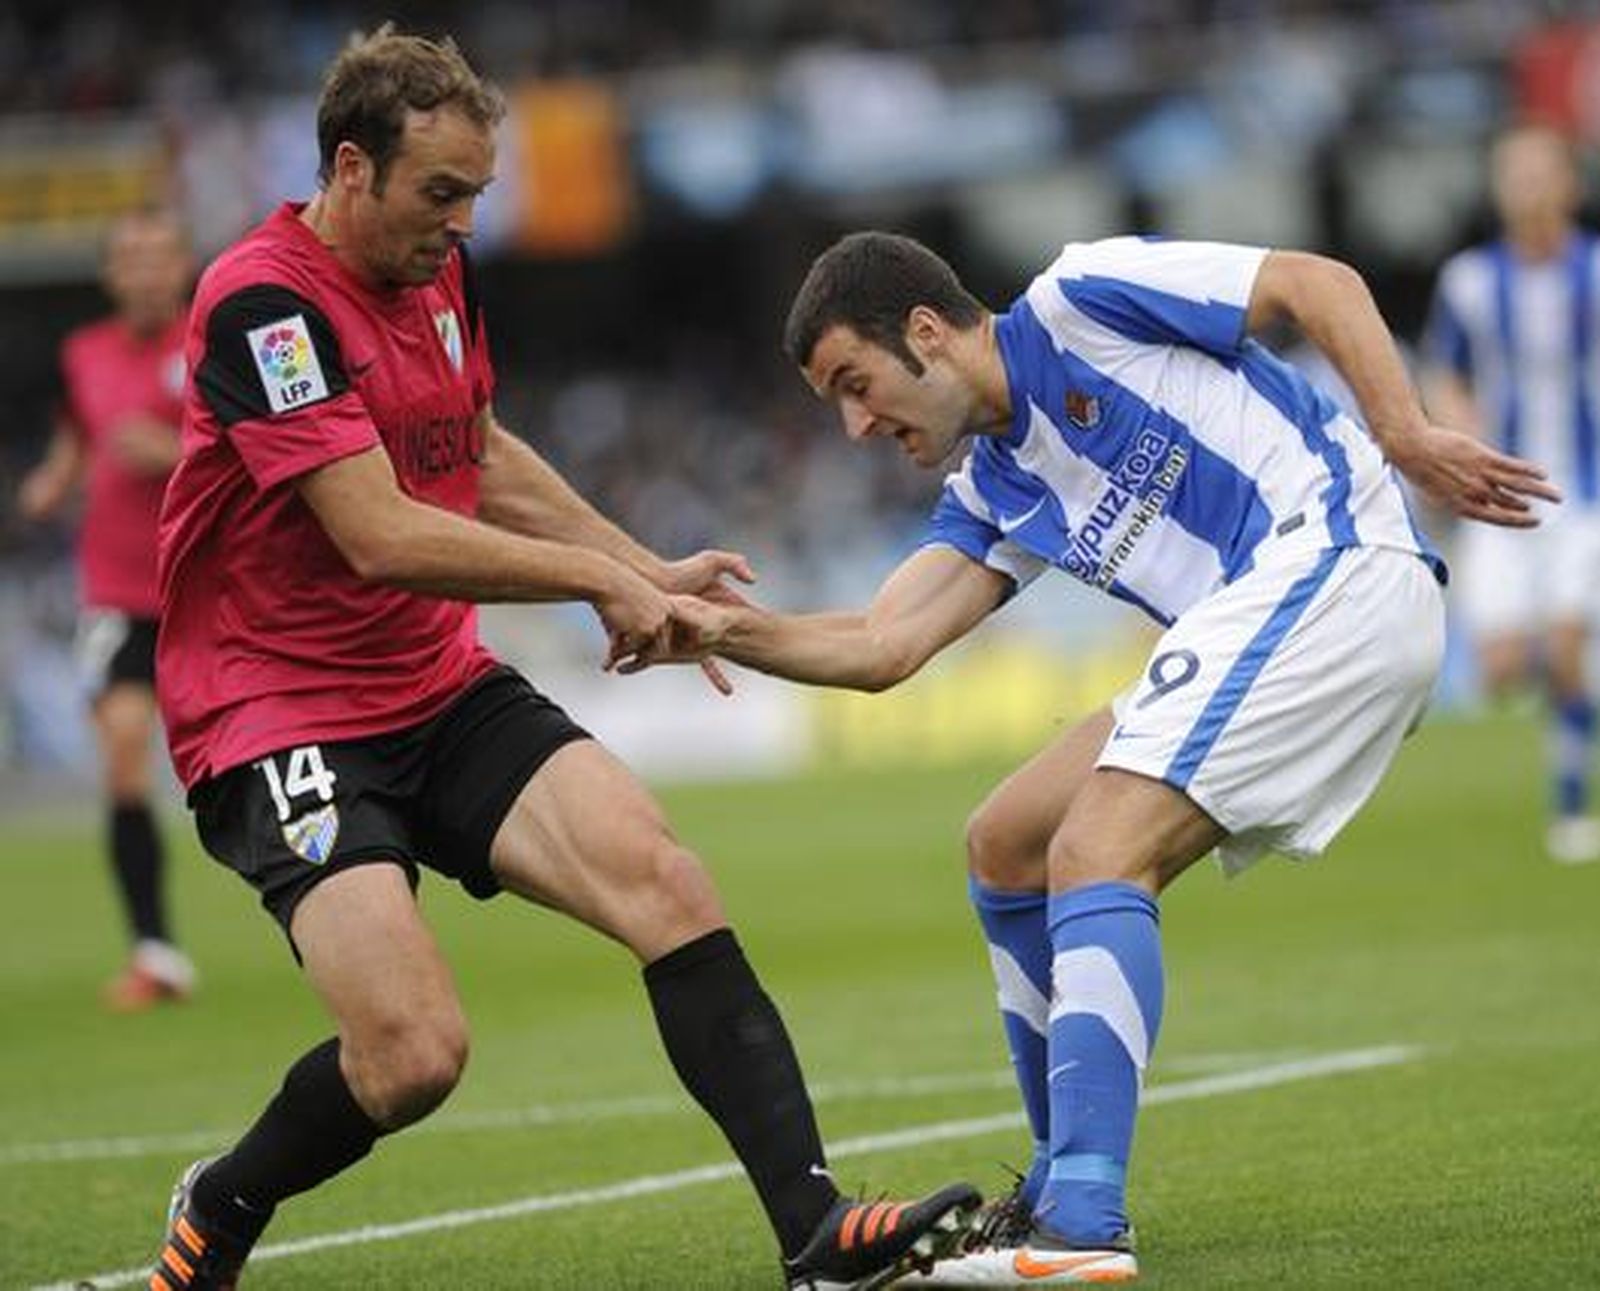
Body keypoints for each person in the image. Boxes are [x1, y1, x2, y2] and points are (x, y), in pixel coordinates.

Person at [144, 29, 977, 1291]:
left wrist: (640, 561)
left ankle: (818, 1239)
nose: (464, 222)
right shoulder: (264, 303)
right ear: (351, 167)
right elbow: (372, 533)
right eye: (441, 193)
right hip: (276, 714)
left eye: (477, 193)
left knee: (666, 880)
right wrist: (599, 580)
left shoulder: (439, 274)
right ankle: (226, 1195)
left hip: (432, 683)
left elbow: (472, 449)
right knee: (412, 1055)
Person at [626, 230, 1556, 1284]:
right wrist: (719, 630)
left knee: (1099, 843)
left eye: (855, 382)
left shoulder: (1082, 298)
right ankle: (1058, 1176)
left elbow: (1314, 281)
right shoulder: (991, 484)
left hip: (1335, 562)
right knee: (1008, 842)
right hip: (1269, 616)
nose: (852, 425)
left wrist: (1406, 432)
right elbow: (881, 645)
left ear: (926, 332)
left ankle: (1081, 1221)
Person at [16, 209, 199, 1011]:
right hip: (118, 596)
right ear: (112, 274)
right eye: (132, 259)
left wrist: (173, 453)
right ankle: (156, 951)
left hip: (208, 587)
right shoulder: (83, 355)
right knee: (123, 756)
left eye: (160, 257)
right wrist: (53, 481)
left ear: (183, 266)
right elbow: (79, 440)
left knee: (242, 767)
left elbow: (261, 446)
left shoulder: (216, 341)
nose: (148, 272)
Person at [1422, 122, 1600, 864]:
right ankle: (1580, 678)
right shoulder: (1468, 280)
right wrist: (1460, 428)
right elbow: (1443, 371)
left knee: (1563, 642)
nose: (1524, 187)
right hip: (1502, 497)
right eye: (1512, 174)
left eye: (1538, 172)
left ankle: (1569, 802)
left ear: (1570, 184)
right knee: (1498, 670)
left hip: (1586, 493)